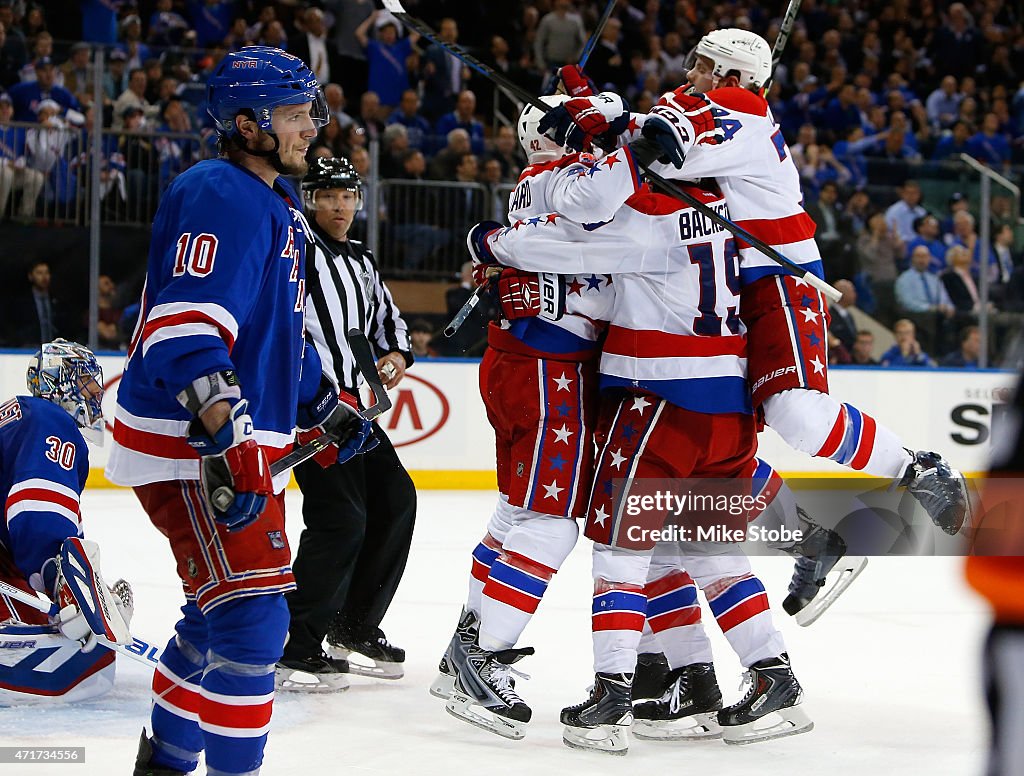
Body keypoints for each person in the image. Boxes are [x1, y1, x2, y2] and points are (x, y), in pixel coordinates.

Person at [536, 29, 967, 612]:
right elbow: (654, 136)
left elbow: (665, 146)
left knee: (797, 413)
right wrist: (596, 111)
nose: (691, 74)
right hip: (738, 290)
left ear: (734, 77)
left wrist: (601, 119)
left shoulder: (741, 107)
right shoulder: (714, 103)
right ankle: (808, 540)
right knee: (722, 443)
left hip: (779, 278)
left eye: (705, 66)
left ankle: (917, 470)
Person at [104, 46, 370, 776]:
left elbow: (274, 325)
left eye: (310, 110)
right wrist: (233, 436)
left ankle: (164, 762)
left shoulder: (274, 200)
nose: (311, 127)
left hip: (228, 439)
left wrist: (318, 401)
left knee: (214, 612)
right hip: (188, 445)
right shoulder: (220, 191)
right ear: (245, 122)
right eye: (293, 114)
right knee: (254, 626)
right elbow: (184, 334)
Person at [431, 96, 615, 742]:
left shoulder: (539, 184)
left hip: (523, 359)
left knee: (516, 511)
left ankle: (468, 642)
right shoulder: (567, 185)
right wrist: (606, 122)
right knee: (551, 521)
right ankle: (483, 657)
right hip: (547, 366)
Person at [278, 156, 416, 690]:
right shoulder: (298, 253)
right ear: (309, 198)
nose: (340, 206)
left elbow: (388, 321)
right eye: (328, 195)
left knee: (396, 500)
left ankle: (353, 625)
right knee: (340, 521)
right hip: (312, 414)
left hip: (358, 413)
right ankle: (298, 642)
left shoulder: (361, 259)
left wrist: (396, 357)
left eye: (348, 196)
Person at [0, 340, 132, 704]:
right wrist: (62, 579)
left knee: (39, 622)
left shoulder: (23, 417)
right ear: (61, 383)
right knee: (85, 652)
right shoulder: (50, 420)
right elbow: (36, 511)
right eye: (86, 381)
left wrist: (86, 590)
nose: (94, 392)